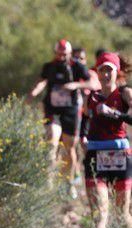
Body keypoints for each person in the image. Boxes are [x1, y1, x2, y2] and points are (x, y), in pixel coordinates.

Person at [27, 40, 96, 198]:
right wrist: (34, 93)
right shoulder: (49, 66)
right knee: (51, 140)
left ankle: (68, 182)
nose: (61, 57)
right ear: (55, 53)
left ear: (69, 53)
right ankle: (48, 183)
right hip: (52, 109)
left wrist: (75, 85)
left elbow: (91, 83)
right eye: (59, 54)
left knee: (69, 147)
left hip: (70, 111)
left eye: (64, 54)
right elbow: (41, 81)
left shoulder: (77, 66)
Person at [81, 51, 132, 228]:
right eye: (101, 69)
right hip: (95, 157)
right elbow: (84, 119)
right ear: (97, 72)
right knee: (100, 214)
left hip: (120, 157)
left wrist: (115, 114)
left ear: (116, 71)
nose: (105, 74)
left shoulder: (125, 94)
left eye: (109, 69)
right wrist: (82, 137)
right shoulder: (90, 97)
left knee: (122, 213)